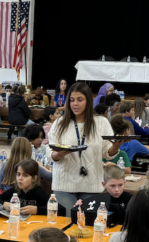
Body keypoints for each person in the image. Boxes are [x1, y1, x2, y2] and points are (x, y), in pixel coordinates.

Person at [48, 82, 113, 215]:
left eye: (79, 100)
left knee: (88, 229)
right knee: (64, 228)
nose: (75, 104)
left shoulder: (101, 122)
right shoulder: (60, 123)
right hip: (64, 184)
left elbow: (108, 152)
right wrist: (59, 154)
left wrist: (116, 146)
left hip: (92, 185)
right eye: (71, 100)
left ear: (88, 101)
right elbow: (50, 153)